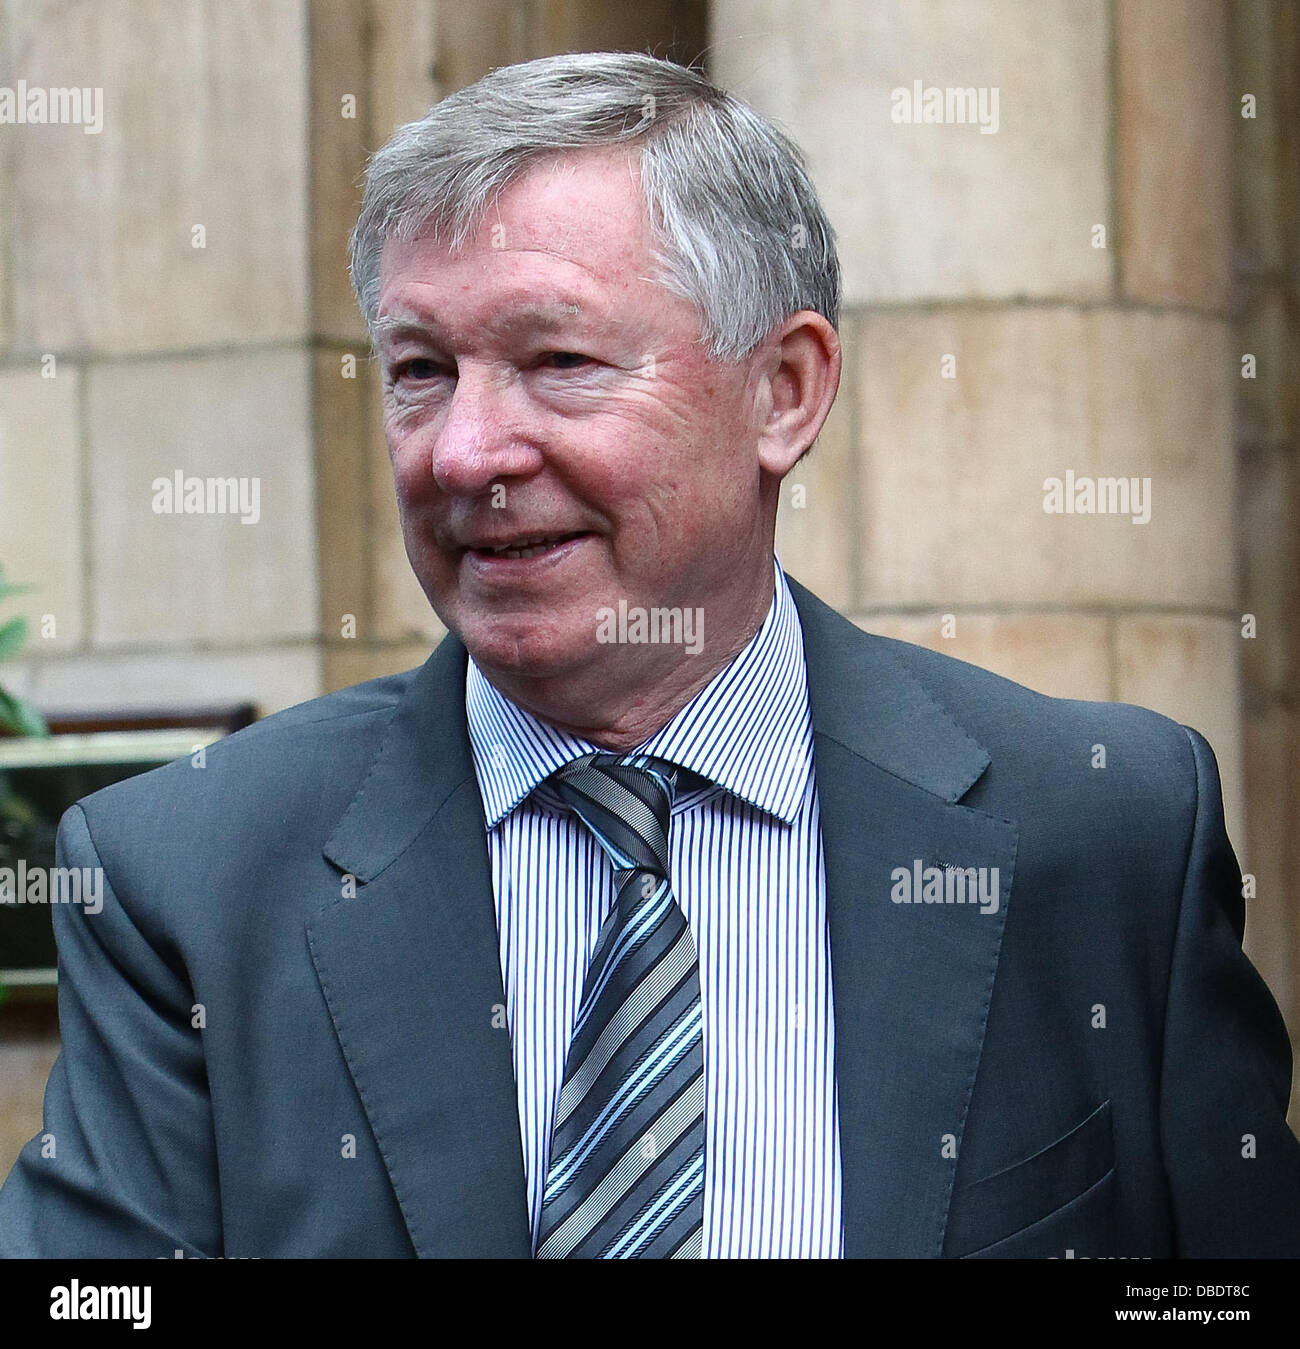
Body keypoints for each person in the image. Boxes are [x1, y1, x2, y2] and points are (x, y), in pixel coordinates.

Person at [1, 51, 1297, 1259]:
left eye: (555, 360)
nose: (464, 452)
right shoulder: (187, 883)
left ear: (782, 391)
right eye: (420, 370)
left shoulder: (1104, 833)